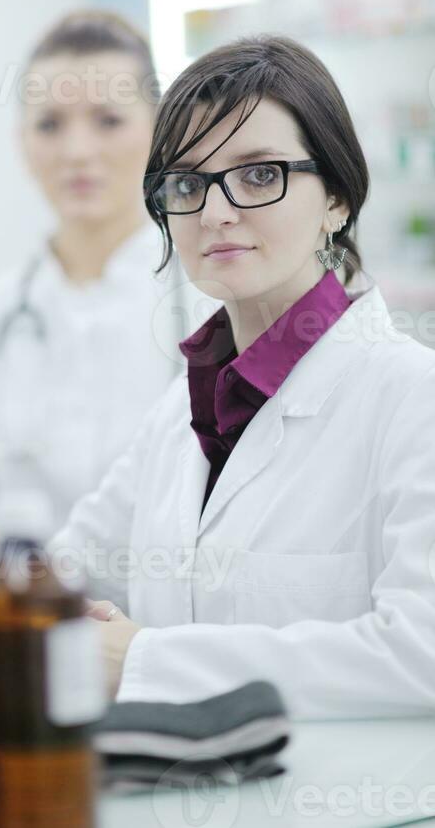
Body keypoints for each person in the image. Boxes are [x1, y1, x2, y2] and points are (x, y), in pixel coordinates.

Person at [49, 35, 435, 719]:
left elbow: (419, 656)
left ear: (338, 198)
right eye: (188, 183)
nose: (216, 212)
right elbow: (69, 568)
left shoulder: (410, 396)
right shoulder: (188, 405)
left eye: (260, 175)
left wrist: (146, 661)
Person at [0, 11, 188, 559]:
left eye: (107, 120)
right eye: (50, 124)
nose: (77, 151)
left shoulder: (211, 301)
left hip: (162, 633)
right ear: (22, 142)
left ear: (159, 130)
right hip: (22, 628)